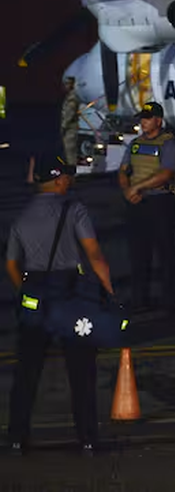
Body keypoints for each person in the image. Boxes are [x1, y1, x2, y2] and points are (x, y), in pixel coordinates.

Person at [6, 155, 114, 455]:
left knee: (27, 371)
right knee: (81, 370)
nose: (69, 179)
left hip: (35, 293)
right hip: (68, 294)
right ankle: (87, 438)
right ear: (56, 180)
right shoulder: (74, 209)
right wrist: (109, 293)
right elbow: (95, 255)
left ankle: (16, 437)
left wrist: (26, 291)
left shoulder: (22, 215)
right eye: (66, 175)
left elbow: (12, 264)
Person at [118, 101, 175, 313]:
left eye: (147, 118)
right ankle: (139, 298)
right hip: (137, 203)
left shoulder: (169, 144)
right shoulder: (135, 144)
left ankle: (169, 301)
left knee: (165, 254)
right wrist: (127, 190)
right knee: (138, 253)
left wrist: (137, 188)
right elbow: (123, 170)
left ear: (158, 121)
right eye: (142, 119)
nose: (143, 122)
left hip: (160, 201)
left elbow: (166, 174)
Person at [60, 77, 81, 167]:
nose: (65, 86)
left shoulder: (72, 98)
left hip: (70, 129)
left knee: (69, 150)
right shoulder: (66, 96)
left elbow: (68, 114)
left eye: (67, 84)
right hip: (66, 128)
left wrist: (62, 127)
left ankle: (70, 169)